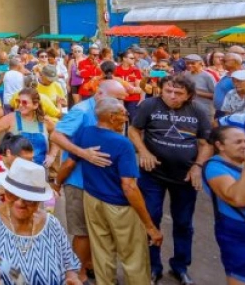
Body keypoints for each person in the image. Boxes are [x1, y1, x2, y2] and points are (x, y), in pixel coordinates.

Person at [57, 98, 162, 285]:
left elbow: (69, 163)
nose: (126, 116)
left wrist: (57, 183)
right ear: (112, 117)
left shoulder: (85, 132)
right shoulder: (123, 144)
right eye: (123, 113)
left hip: (92, 200)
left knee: (101, 251)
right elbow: (129, 186)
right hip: (119, 206)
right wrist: (149, 226)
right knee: (133, 255)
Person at [128, 74, 213, 285]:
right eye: (168, 91)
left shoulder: (198, 111)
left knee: (183, 223)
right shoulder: (149, 105)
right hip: (152, 175)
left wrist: (198, 166)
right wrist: (143, 152)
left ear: (189, 96)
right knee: (151, 219)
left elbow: (206, 143)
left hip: (184, 177)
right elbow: (133, 130)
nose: (172, 96)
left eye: (178, 93)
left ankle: (180, 266)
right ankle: (153, 266)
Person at [0, 158, 83, 285]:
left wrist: (72, 278)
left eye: (28, 199)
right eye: (12, 195)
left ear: (38, 200)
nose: (19, 203)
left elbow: (69, 265)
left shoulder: (52, 225)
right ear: (5, 192)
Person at [49, 79, 126, 279]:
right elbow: (56, 136)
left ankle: (89, 265)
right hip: (78, 182)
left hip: (99, 183)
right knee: (82, 231)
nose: (122, 105)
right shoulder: (82, 111)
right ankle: (77, 274)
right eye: (118, 99)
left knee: (97, 231)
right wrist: (82, 153)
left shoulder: (109, 112)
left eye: (123, 101)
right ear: (100, 94)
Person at [202, 126, 245, 285]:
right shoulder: (214, 167)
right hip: (239, 237)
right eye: (238, 142)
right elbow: (239, 199)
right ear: (220, 145)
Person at [0, 88, 58, 167]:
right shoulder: (11, 118)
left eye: (24, 102)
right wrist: (0, 152)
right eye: (18, 101)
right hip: (15, 171)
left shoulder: (45, 121)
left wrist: (52, 156)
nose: (20, 105)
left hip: (40, 171)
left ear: (35, 105)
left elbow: (57, 135)